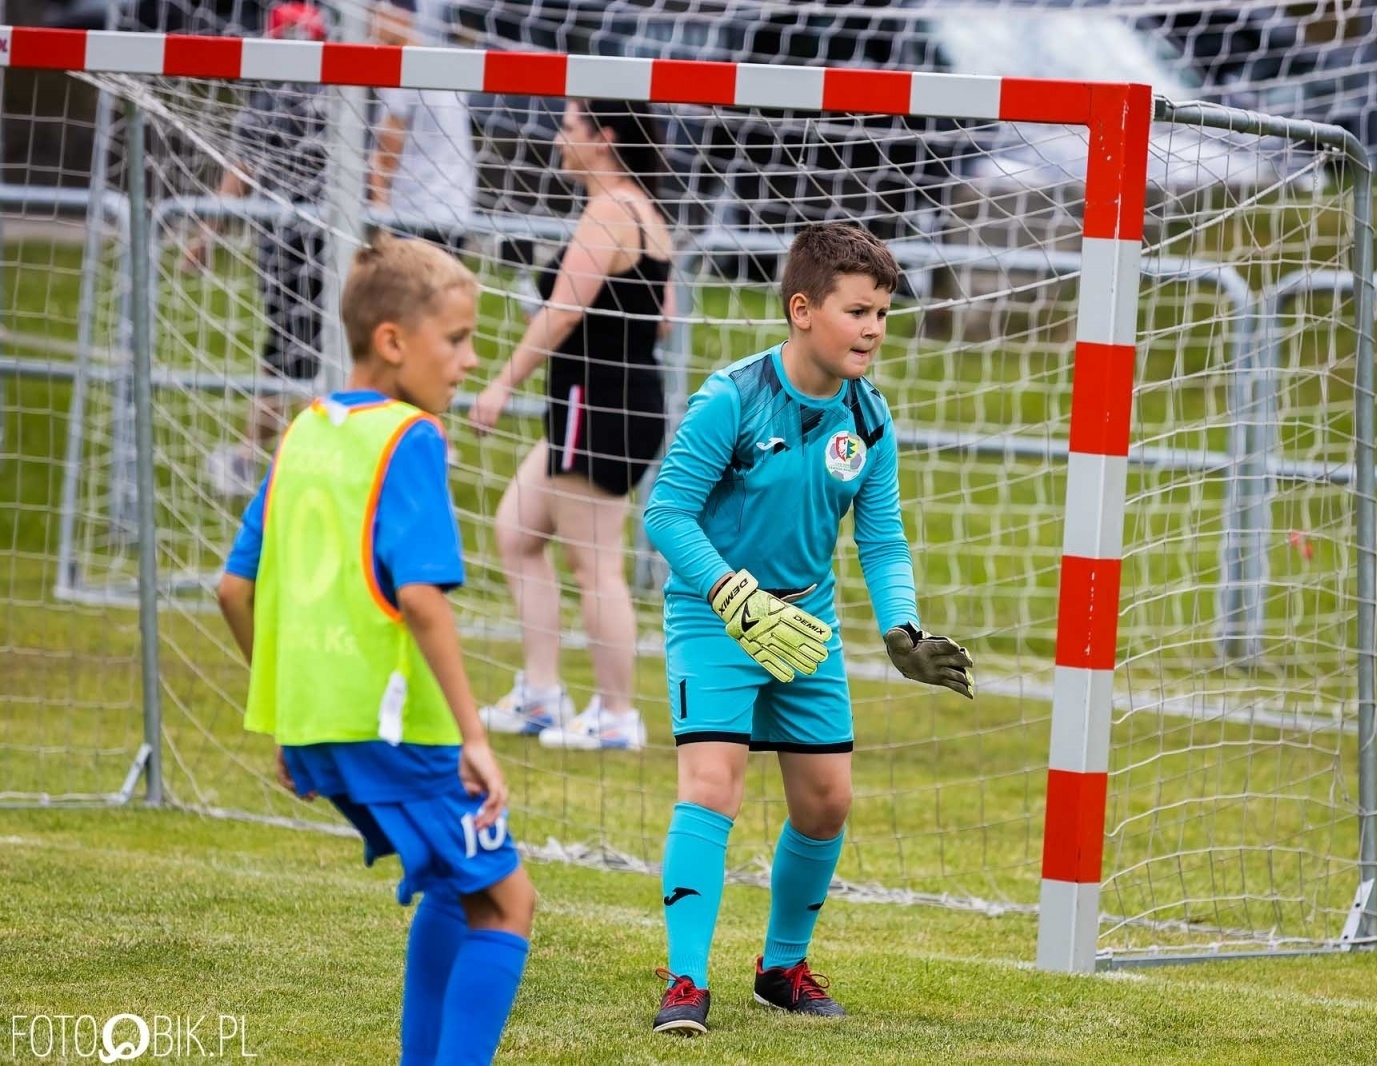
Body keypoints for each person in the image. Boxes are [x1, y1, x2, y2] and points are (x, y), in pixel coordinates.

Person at [638, 222, 976, 1035]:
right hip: (714, 613)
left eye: (883, 314)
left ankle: (781, 969)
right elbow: (666, 512)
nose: (873, 329)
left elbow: (883, 537)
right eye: (858, 310)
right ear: (801, 310)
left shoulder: (870, 416)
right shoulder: (731, 397)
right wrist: (730, 593)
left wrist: (901, 627)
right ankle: (685, 982)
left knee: (827, 804)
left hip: (805, 624)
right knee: (712, 787)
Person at [216, 234, 535, 1066]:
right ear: (393, 341)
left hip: (322, 727)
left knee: (451, 886)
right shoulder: (411, 439)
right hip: (404, 730)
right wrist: (475, 736)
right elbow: (422, 599)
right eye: (457, 340)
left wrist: (290, 718)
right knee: (508, 904)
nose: (470, 361)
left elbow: (232, 590)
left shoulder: (302, 434)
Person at [468, 100, 675, 752]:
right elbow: (660, 319)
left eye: (569, 126)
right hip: (601, 403)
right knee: (517, 532)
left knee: (595, 567)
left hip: (601, 406)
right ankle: (540, 694)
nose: (558, 136)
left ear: (604, 138)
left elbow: (560, 315)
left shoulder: (613, 210)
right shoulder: (641, 210)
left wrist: (501, 383)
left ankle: (616, 716)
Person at [196, 1, 329, 498]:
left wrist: (206, 234)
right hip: (322, 244)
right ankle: (269, 456)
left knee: (289, 359)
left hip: (290, 245)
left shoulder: (275, 98)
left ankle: (256, 457)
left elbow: (239, 172)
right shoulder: (341, 94)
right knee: (306, 356)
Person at [368, 0, 476, 246]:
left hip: (413, 216)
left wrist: (379, 227)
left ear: (402, 17)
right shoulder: (444, 66)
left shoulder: (401, 75)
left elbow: (384, 158)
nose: (371, 25)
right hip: (454, 209)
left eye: (377, 15)